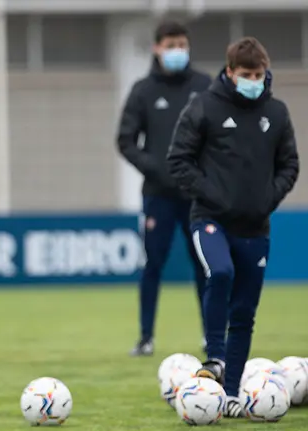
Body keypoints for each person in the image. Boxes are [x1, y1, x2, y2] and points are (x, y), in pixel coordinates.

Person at [166, 36, 299, 418]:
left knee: (244, 311)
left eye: (259, 74)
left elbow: (290, 165)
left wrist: (266, 200)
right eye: (246, 75)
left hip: (256, 227)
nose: (253, 80)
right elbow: (179, 160)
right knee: (219, 272)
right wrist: (212, 196)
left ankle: (230, 393)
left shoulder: (277, 112)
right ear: (230, 72)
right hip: (210, 219)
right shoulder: (204, 106)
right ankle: (216, 356)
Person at [116, 20, 211, 357]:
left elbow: (220, 137)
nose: (176, 51)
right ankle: (145, 338)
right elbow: (125, 141)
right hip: (157, 196)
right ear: (157, 48)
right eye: (170, 45)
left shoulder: (205, 86)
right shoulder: (143, 90)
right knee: (152, 265)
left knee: (205, 264)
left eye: (181, 45)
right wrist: (157, 168)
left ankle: (211, 335)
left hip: (198, 197)